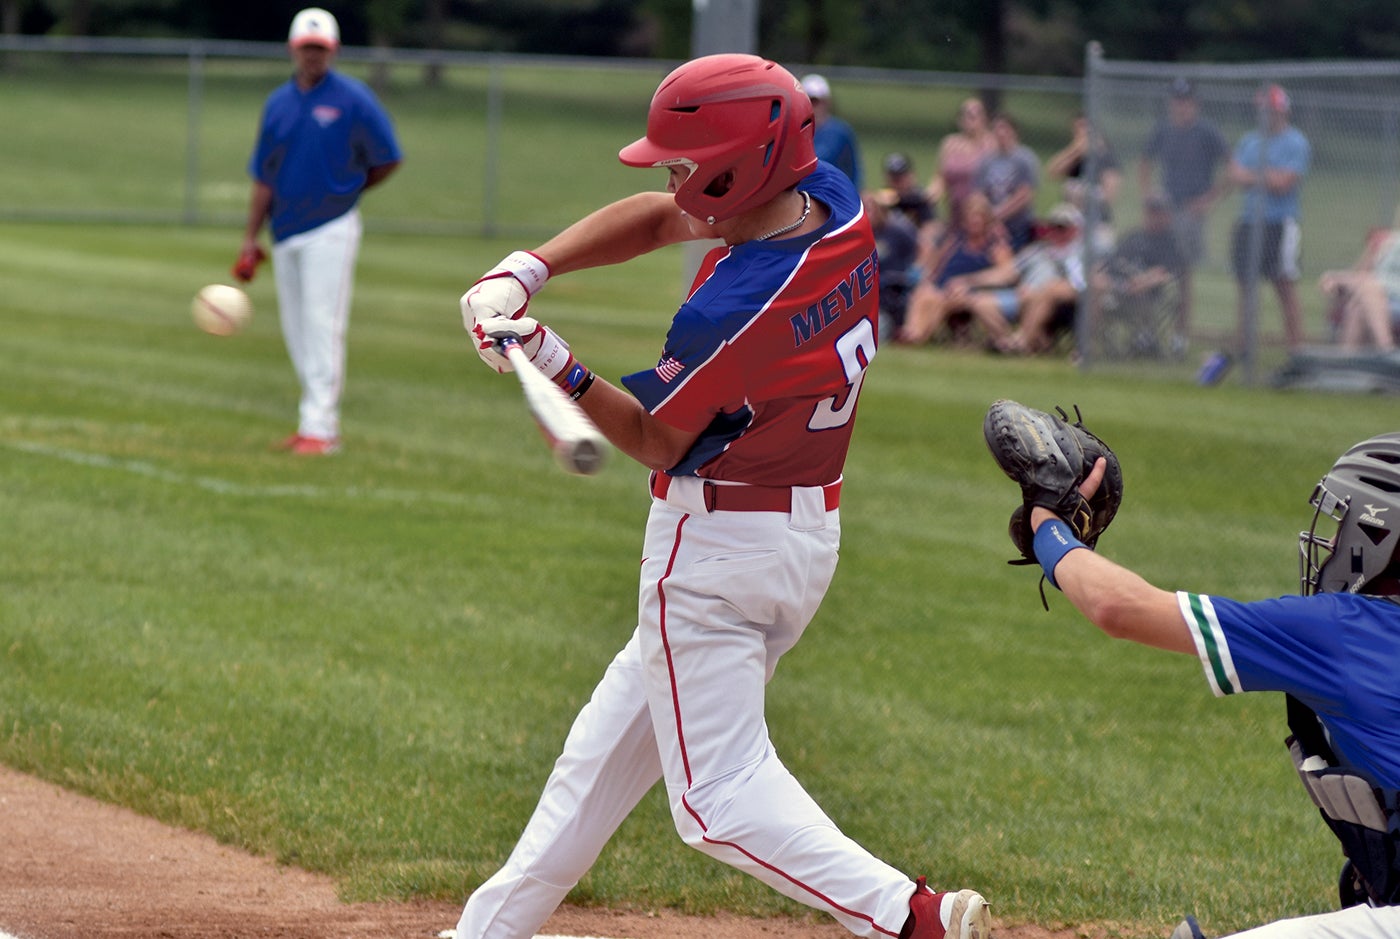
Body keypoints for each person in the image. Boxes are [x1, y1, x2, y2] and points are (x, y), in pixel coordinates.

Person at [453, 53, 990, 939]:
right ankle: (487, 932)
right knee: (599, 753)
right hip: (800, 540)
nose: (671, 176)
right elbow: (668, 218)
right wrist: (527, 270)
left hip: (713, 554)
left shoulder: (732, 311)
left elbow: (658, 440)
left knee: (716, 797)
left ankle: (911, 917)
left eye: (686, 161)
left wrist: (551, 360)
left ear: (739, 168)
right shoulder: (833, 201)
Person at [1020, 432, 1400, 939]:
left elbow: (1119, 608)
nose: (1328, 542)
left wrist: (1047, 525)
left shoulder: (1350, 628)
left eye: (1342, 523)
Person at [236, 7, 402, 456]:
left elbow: (388, 158)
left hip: (331, 225)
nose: (313, 56)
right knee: (296, 329)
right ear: (294, 49)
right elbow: (263, 175)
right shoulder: (279, 103)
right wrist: (251, 238)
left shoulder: (354, 99)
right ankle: (311, 421)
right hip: (284, 229)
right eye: (307, 48)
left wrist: (347, 191)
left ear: (334, 51)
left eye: (321, 49)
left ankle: (322, 430)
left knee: (322, 325)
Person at [1206, 83, 1311, 380]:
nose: (1267, 116)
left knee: (1284, 285)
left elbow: (1283, 183)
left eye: (1273, 110)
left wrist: (1251, 177)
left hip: (1279, 223)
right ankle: (1244, 347)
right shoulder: (1251, 141)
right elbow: (1234, 174)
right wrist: (1262, 177)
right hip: (1249, 222)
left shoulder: (1295, 142)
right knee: (1246, 286)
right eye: (1263, 110)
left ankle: (1297, 352)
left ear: (1283, 111)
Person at [1137, 78, 1230, 353]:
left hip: (1190, 212)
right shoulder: (1163, 129)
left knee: (1183, 273)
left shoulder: (1206, 132)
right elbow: (1145, 161)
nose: (1180, 107)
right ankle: (1148, 331)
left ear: (1194, 104)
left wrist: (1209, 200)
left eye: (1185, 102)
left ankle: (1180, 336)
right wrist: (1148, 194)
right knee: (1152, 269)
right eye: (1176, 102)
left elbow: (1231, 166)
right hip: (1164, 210)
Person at [897, 191, 1019, 347]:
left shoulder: (995, 245)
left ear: (986, 219)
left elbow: (1008, 274)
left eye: (978, 217)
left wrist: (969, 283)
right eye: (970, 217)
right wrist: (928, 278)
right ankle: (910, 331)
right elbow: (936, 265)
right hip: (944, 287)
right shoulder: (955, 241)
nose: (974, 222)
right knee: (924, 292)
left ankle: (917, 337)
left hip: (969, 292)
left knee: (939, 299)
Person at [1086, 195, 1189, 358]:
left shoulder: (1170, 244)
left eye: (1157, 212)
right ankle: (1087, 343)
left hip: (1143, 296)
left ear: (1167, 215)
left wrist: (1140, 282)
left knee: (1099, 289)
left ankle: (1085, 345)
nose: (1152, 216)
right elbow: (1109, 262)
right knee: (1095, 283)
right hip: (1116, 286)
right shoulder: (1133, 236)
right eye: (1150, 212)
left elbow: (1165, 274)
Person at [995, 204, 1089, 355]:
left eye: (1063, 228)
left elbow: (1080, 282)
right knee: (985, 302)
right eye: (1055, 227)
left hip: (1076, 298)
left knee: (1049, 289)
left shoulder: (1083, 251)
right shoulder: (1039, 250)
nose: (1058, 232)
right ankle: (1026, 342)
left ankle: (1021, 342)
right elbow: (1007, 272)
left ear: (1076, 230)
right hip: (1034, 296)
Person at [1045, 113, 1121, 254]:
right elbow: (1052, 172)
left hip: (1096, 224)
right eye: (1077, 131)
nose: (1081, 134)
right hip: (1070, 223)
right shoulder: (1074, 159)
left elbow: (1109, 197)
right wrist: (1074, 150)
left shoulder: (1106, 158)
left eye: (1085, 129)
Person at [1317, 227, 1400, 352]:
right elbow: (1363, 272)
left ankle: (1385, 348)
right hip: (1380, 296)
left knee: (1367, 289)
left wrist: (1342, 280)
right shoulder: (1391, 242)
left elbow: (1375, 279)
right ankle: (1347, 362)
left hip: (1389, 294)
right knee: (1358, 307)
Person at [975, 113, 1040, 252]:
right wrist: (991, 220)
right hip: (991, 227)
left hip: (1018, 226)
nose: (1001, 133)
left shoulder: (1025, 159)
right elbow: (979, 194)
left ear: (1014, 132)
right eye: (996, 129)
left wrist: (997, 215)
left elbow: (1025, 195)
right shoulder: (986, 161)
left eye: (1004, 128)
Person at [864, 189, 922, 343]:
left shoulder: (897, 232)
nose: (867, 213)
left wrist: (915, 271)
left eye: (870, 208)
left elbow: (919, 249)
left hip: (891, 287)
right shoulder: (857, 235)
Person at [926, 97, 996, 222]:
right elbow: (940, 177)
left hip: (982, 215)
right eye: (967, 114)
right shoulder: (950, 143)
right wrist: (931, 195)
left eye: (976, 114)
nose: (971, 118)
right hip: (955, 210)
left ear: (984, 119)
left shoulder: (992, 144)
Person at [802, 73, 863, 188]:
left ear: (826, 102)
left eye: (816, 101)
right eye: (808, 100)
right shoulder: (796, 132)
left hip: (834, 192)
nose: (813, 106)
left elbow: (854, 167)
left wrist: (856, 192)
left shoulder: (841, 132)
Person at [881, 151, 938, 239]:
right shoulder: (882, 202)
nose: (897, 182)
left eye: (900, 178)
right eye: (893, 178)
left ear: (911, 176)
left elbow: (931, 230)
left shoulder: (921, 201)